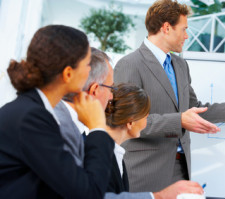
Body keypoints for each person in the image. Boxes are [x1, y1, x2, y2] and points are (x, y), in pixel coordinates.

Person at [114, 0, 225, 192]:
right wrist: (179, 121)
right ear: (166, 28)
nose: (187, 35)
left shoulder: (180, 65)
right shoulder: (130, 64)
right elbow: (128, 121)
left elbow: (194, 108)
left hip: (181, 167)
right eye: (183, 29)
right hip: (146, 171)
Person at [56, 47, 204, 199]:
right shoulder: (61, 130)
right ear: (94, 90)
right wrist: (159, 196)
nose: (112, 98)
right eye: (111, 88)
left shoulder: (77, 129)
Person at [0, 25, 114, 199]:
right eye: (86, 65)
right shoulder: (32, 118)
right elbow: (87, 192)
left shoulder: (32, 110)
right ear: (68, 73)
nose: (90, 71)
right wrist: (98, 127)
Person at [105, 83, 150, 194]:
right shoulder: (103, 157)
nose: (146, 123)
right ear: (130, 122)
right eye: (146, 117)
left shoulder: (114, 152)